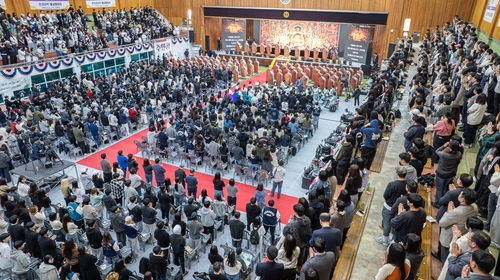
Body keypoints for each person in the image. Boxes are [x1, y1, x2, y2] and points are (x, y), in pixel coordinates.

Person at [439, 188, 478, 264]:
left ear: (462, 199)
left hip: (449, 238)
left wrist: (449, 211)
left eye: (460, 194)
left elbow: (442, 223)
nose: (459, 194)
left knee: (446, 260)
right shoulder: (475, 207)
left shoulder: (455, 212)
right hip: (463, 233)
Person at [375, 166, 408, 247]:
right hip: (400, 208)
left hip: (389, 206)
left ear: (397, 174)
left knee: (387, 223)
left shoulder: (392, 184)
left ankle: (385, 239)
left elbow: (386, 195)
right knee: (396, 222)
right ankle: (392, 236)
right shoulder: (408, 185)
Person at [433, 140, 463, 206]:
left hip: (441, 174)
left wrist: (444, 146)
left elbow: (437, 151)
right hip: (449, 174)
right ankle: (444, 201)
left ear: (450, 147)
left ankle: (438, 203)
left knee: (439, 189)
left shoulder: (444, 155)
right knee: (445, 188)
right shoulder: (459, 154)